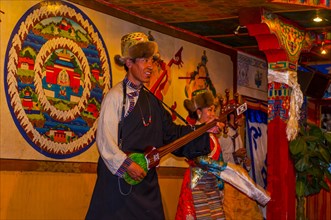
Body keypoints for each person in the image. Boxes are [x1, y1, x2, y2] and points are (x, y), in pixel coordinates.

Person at [85, 32, 223, 220]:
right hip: (119, 185)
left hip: (146, 185)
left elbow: (173, 134)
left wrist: (204, 130)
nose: (150, 66)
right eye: (143, 60)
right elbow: (105, 141)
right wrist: (126, 164)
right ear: (129, 62)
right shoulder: (116, 97)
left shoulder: (153, 102)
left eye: (151, 60)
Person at [175, 91, 226, 220]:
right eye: (209, 110)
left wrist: (220, 184)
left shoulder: (213, 135)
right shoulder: (193, 133)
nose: (213, 114)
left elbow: (218, 159)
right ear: (198, 112)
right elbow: (199, 159)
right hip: (195, 181)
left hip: (211, 185)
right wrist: (225, 168)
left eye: (214, 110)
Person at [219, 112, 263, 220]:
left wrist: (246, 162)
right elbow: (218, 159)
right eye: (240, 115)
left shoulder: (237, 135)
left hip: (239, 178)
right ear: (232, 116)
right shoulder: (221, 135)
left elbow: (241, 160)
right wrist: (235, 155)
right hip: (227, 179)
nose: (242, 118)